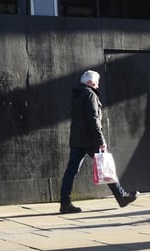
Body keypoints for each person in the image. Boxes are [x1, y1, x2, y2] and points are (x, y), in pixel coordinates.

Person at [59, 70, 139, 213]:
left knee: (71, 171)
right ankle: (121, 196)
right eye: (97, 81)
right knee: (106, 167)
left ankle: (65, 202)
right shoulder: (90, 95)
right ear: (91, 82)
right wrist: (101, 140)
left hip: (77, 139)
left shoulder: (76, 95)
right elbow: (94, 119)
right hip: (91, 139)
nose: (98, 84)